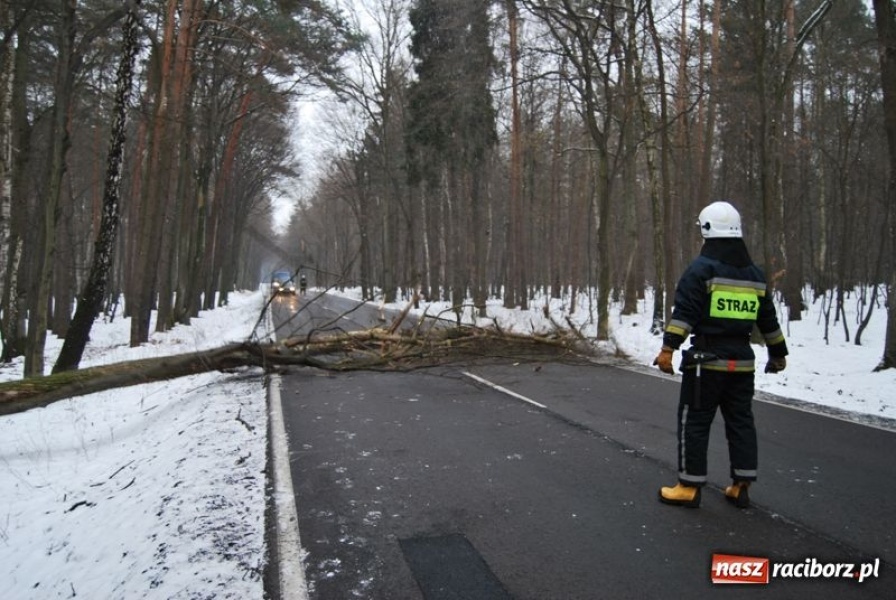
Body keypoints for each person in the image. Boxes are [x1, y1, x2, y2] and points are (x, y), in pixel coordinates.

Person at [654, 201, 788, 509]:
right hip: (742, 362)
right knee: (741, 422)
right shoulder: (754, 275)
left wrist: (668, 348)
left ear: (707, 230)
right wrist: (778, 354)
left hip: (706, 362)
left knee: (695, 422)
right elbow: (769, 320)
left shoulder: (702, 270)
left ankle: (688, 487)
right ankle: (741, 485)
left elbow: (684, 313)